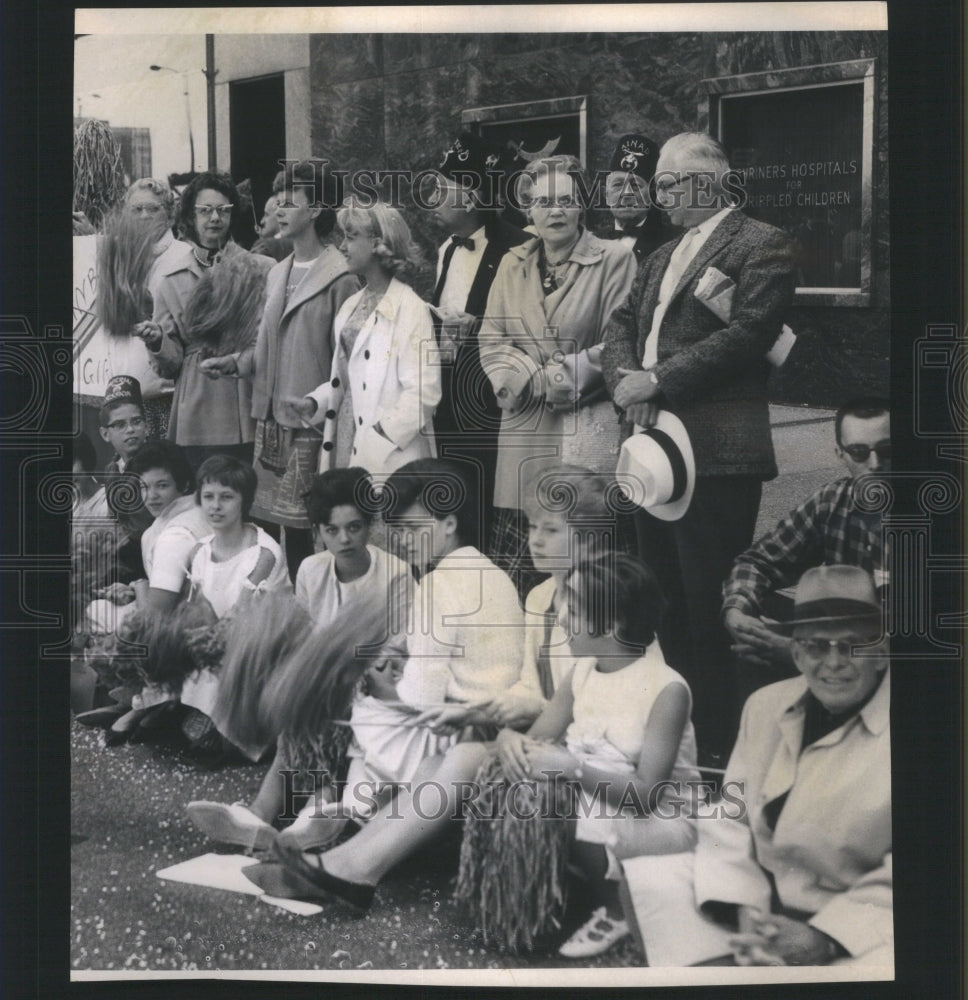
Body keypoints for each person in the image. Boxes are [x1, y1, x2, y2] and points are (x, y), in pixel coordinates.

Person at [601, 131, 797, 764]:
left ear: (706, 182)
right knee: (664, 603)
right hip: (651, 451)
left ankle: (724, 751)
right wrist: (629, 384)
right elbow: (621, 323)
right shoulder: (661, 253)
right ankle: (678, 745)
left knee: (711, 601)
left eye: (666, 181)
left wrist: (658, 380)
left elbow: (750, 333)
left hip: (715, 454)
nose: (655, 193)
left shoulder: (760, 242)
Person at [621, 565, 891, 969]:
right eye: (817, 646)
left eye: (853, 645)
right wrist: (744, 908)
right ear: (796, 652)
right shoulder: (764, 706)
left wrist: (825, 937)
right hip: (765, 899)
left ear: (882, 651)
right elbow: (728, 819)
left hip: (855, 917)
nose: (834, 661)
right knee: (653, 882)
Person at [186, 466, 413, 851]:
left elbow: (398, 651)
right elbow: (302, 634)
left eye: (354, 527)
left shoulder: (395, 574)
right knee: (305, 692)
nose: (344, 539)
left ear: (368, 525)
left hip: (377, 685)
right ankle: (296, 810)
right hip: (321, 685)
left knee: (318, 694)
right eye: (332, 530)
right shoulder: (312, 568)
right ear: (318, 532)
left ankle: (284, 808)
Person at [478, 154, 637, 596]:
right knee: (521, 577)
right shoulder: (512, 263)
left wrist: (556, 378)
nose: (556, 211)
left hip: (581, 430)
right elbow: (491, 336)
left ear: (582, 206)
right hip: (524, 433)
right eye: (544, 202)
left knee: (586, 580)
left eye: (566, 200)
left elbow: (621, 343)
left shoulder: (614, 260)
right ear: (528, 210)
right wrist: (523, 376)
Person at [200, 160, 360, 581]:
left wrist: (315, 403)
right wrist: (235, 363)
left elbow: (346, 364)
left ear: (318, 210)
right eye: (277, 200)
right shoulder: (277, 272)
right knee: (266, 528)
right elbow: (268, 349)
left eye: (291, 201)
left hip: (310, 426)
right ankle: (268, 610)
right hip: (269, 423)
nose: (278, 208)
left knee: (307, 532)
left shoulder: (341, 277)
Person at [722, 397, 890, 700]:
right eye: (859, 452)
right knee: (753, 641)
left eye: (889, 449)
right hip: (846, 641)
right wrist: (738, 612)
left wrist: (801, 653)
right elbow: (757, 562)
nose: (875, 464)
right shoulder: (833, 500)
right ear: (841, 454)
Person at [427, 131, 530, 547]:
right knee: (456, 501)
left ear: (470, 195)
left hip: (493, 403)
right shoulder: (446, 250)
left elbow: (529, 324)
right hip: (450, 398)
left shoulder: (520, 245)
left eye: (441, 189)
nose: (433, 199)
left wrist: (477, 323)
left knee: (492, 506)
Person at [135, 171, 274, 470]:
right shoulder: (172, 281)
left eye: (223, 211)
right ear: (189, 216)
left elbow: (268, 339)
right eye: (205, 210)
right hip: (196, 405)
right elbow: (170, 366)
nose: (214, 218)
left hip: (245, 396)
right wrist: (158, 340)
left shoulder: (262, 269)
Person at [293, 202, 440, 483]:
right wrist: (315, 403)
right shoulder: (351, 305)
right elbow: (349, 378)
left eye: (351, 237)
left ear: (378, 244)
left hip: (391, 455)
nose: (343, 246)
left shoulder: (410, 307)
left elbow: (424, 392)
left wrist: (380, 436)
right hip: (347, 439)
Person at [178, 455, 291, 751]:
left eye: (226, 497)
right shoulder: (199, 551)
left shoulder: (263, 554)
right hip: (218, 643)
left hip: (259, 647)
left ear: (245, 501)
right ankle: (196, 713)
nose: (215, 506)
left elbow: (245, 619)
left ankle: (230, 724)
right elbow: (196, 610)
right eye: (209, 497)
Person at [97, 178, 197, 439]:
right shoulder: (118, 258)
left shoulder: (185, 258)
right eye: (136, 210)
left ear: (170, 216)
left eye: (152, 209)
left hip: (166, 398)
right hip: (121, 399)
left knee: (163, 475)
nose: (143, 216)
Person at [601, 133, 674, 264]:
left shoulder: (672, 243)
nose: (626, 193)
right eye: (618, 185)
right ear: (606, 194)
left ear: (652, 194)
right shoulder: (592, 242)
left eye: (635, 185)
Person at [250, 192, 294, 262]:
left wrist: (263, 242)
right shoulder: (301, 245)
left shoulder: (266, 246)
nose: (262, 221)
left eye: (266, 215)